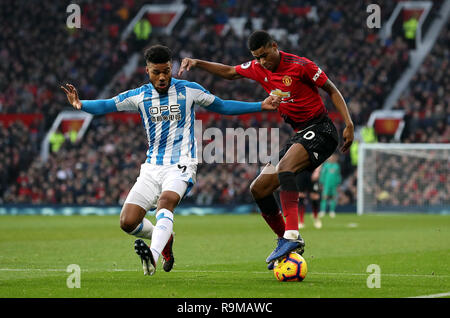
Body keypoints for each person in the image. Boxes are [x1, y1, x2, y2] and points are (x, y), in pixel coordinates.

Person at [61, 44, 280, 276]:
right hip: (152, 167)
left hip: (182, 164)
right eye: (157, 72)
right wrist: (80, 104)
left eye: (166, 70)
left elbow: (222, 105)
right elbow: (107, 104)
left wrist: (260, 105)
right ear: (147, 71)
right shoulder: (139, 96)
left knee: (166, 203)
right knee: (128, 222)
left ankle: (152, 258)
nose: (163, 76)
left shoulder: (189, 90)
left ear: (171, 67)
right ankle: (165, 237)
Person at [178, 30, 354, 269]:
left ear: (274, 46)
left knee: (286, 169)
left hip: (322, 129)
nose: (262, 62)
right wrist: (198, 63)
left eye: (264, 55)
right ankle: (285, 239)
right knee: (259, 188)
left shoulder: (301, 66)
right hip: (300, 134)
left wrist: (349, 123)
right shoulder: (258, 68)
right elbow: (230, 72)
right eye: (256, 57)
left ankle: (292, 235)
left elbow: (332, 89)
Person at [318, 153, 342, 218]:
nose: (331, 158)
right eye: (330, 157)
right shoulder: (326, 165)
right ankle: (322, 211)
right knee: (324, 197)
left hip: (334, 184)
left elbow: (338, 175)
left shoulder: (337, 166)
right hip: (326, 184)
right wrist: (321, 183)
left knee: (333, 197)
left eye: (333, 157)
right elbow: (322, 175)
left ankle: (332, 211)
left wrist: (338, 184)